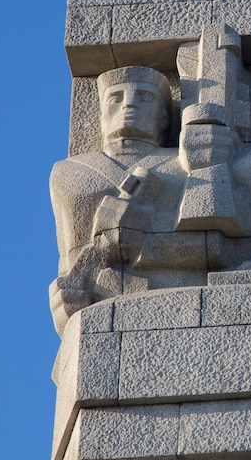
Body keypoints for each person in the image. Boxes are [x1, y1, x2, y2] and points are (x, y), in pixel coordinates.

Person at [48, 66, 180, 334]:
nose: (130, 103)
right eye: (115, 98)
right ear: (100, 116)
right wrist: (64, 304)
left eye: (145, 96)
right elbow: (68, 261)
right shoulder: (68, 173)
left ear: (165, 117)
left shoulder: (180, 166)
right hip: (96, 314)